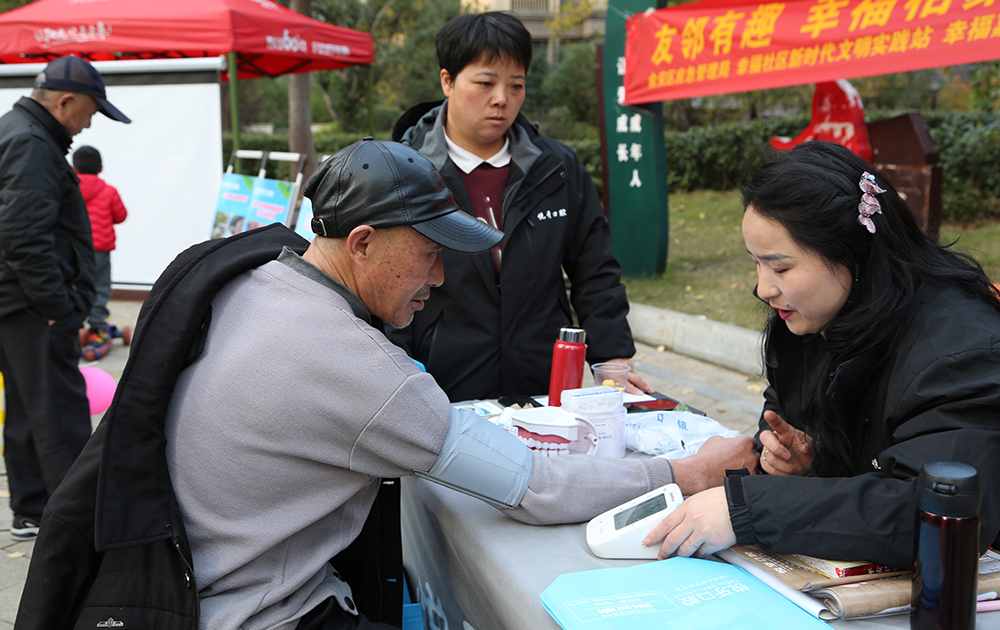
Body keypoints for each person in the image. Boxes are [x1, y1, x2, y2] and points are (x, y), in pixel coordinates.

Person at [15, 139, 757, 630]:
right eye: (430, 254)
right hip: (262, 613)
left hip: (183, 588)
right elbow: (531, 487)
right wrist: (683, 470)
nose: (441, 278)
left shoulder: (260, 278)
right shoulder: (352, 362)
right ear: (363, 243)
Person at [643, 141, 1000, 569]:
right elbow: (800, 426)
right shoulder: (812, 315)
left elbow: (936, 514)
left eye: (781, 268)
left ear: (851, 253)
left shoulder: (962, 352)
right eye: (755, 263)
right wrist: (801, 461)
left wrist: (749, 508)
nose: (763, 288)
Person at [390, 11, 653, 402]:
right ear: (447, 81)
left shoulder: (557, 169)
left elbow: (595, 271)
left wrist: (612, 359)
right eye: (485, 83)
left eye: (516, 85)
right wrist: (396, 374)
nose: (502, 99)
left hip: (545, 383)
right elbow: (385, 284)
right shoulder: (402, 171)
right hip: (440, 385)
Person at [0, 55, 130, 541]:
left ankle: (32, 508)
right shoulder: (32, 143)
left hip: (17, 301)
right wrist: (58, 308)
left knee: (27, 405)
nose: (90, 122)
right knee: (58, 408)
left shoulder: (17, 131)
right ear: (65, 100)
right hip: (33, 304)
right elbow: (24, 237)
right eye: (91, 111)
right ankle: (74, 524)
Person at [73, 145, 128, 355]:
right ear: (101, 168)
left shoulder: (70, 189)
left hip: (75, 250)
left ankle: (73, 325)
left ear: (74, 169)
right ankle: (97, 328)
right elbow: (121, 216)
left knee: (76, 286)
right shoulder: (108, 191)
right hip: (100, 251)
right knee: (100, 287)